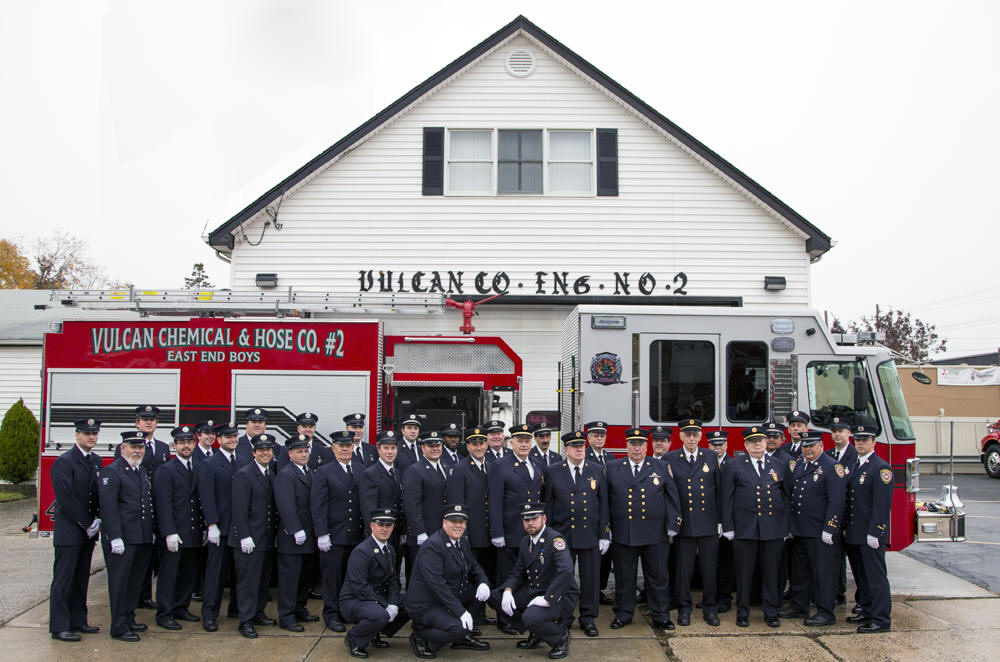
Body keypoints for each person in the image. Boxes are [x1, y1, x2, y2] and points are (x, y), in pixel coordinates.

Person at [606, 427, 681, 631]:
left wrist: (673, 525)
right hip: (624, 532)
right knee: (624, 577)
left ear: (646, 446)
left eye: (640, 445)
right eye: (632, 444)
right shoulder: (613, 467)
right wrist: (607, 529)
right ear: (626, 446)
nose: (636, 449)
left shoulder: (661, 466)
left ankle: (660, 615)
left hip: (655, 533)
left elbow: (672, 498)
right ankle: (623, 613)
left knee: (657, 577)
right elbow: (605, 501)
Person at [721, 426, 791, 628]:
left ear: (765, 443)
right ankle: (742, 612)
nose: (757, 445)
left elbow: (786, 497)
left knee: (771, 573)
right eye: (752, 442)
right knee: (744, 574)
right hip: (744, 529)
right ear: (746, 445)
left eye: (760, 441)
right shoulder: (734, 465)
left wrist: (785, 528)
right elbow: (726, 498)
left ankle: (771, 612)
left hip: (772, 529)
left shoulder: (777, 464)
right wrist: (728, 526)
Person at [541, 430, 609, 637]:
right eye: (574, 446)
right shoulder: (553, 471)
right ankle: (565, 616)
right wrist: (548, 534)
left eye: (582, 446)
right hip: (562, 535)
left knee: (591, 579)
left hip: (589, 534)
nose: (579, 449)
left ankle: (588, 618)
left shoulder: (597, 470)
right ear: (566, 450)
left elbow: (604, 504)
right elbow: (549, 505)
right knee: (564, 578)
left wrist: (605, 533)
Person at [404, 505, 492, 658]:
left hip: (446, 597)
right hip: (426, 604)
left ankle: (461, 639)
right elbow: (438, 585)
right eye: (454, 521)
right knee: (458, 628)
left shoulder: (462, 542)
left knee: (480, 595)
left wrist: (484, 583)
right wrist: (461, 612)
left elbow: (475, 568)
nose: (458, 525)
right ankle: (420, 635)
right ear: (444, 522)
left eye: (462, 522)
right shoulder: (433, 546)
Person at [493, 502, 577, 659]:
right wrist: (508, 590)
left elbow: (566, 571)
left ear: (544, 519)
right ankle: (538, 633)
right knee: (495, 598)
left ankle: (560, 637)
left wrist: (548, 598)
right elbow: (517, 572)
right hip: (534, 591)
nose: (530, 523)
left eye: (534, 519)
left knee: (530, 618)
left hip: (557, 595)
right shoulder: (526, 541)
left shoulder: (555, 539)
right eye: (526, 520)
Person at [780, 430, 846, 627]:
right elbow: (792, 494)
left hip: (820, 532)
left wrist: (830, 528)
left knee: (824, 573)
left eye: (811, 446)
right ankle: (799, 605)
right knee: (800, 572)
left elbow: (837, 501)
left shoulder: (832, 467)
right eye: (805, 446)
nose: (807, 449)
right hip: (800, 529)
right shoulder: (800, 464)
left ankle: (826, 612)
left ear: (821, 446)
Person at [48, 417, 104, 642]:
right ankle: (59, 626)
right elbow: (66, 499)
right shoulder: (64, 462)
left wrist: (99, 517)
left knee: (81, 578)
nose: (91, 437)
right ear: (76, 435)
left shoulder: (96, 461)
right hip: (70, 532)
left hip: (87, 533)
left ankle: (78, 620)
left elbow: (98, 493)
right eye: (86, 433)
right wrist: (88, 523)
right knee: (63, 581)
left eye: (94, 433)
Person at [662, 418, 722, 627]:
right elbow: (668, 494)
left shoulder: (711, 457)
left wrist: (720, 521)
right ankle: (684, 608)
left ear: (700, 436)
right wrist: (672, 523)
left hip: (708, 522)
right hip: (684, 524)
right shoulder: (670, 458)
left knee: (709, 569)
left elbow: (719, 490)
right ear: (680, 436)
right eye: (687, 434)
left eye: (695, 434)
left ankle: (710, 608)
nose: (691, 438)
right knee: (683, 570)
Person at [488, 423, 545, 634]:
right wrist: (497, 533)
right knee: (507, 578)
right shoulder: (500, 465)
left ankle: (523, 616)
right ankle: (505, 620)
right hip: (510, 532)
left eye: (526, 441)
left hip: (532, 532)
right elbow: (494, 501)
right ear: (511, 443)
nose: (523, 444)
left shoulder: (537, 464)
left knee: (528, 578)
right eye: (519, 441)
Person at [100, 431, 155, 642]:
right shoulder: (112, 472)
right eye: (133, 447)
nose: (137, 451)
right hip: (123, 540)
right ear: (123, 449)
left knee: (135, 583)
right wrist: (114, 536)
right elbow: (108, 507)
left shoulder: (140, 471)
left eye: (140, 447)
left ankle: (129, 618)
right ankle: (118, 626)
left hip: (140, 538)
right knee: (120, 583)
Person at [114, 405, 170, 610]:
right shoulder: (126, 448)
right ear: (137, 422)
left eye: (152, 419)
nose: (149, 422)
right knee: (133, 558)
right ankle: (131, 599)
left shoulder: (163, 448)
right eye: (145, 419)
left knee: (150, 555)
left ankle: (144, 595)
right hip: (135, 510)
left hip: (156, 508)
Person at [843, 416, 894, 633]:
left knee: (876, 578)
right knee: (862, 577)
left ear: (874, 441)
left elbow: (882, 506)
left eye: (865, 439)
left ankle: (881, 619)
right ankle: (866, 609)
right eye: (857, 440)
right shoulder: (855, 465)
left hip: (870, 534)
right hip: (855, 532)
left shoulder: (881, 468)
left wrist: (876, 532)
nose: (860, 443)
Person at [311, 430, 365, 631]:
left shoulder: (361, 469)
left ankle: (346, 611)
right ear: (333, 448)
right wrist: (322, 533)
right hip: (333, 535)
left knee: (351, 577)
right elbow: (318, 505)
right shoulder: (324, 472)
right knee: (331, 578)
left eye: (348, 445)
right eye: (340, 446)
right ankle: (331, 614)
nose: (345, 449)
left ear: (353, 447)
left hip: (355, 534)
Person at [340, 508, 411, 658]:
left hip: (375, 598)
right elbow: (359, 586)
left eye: (389, 525)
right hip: (355, 600)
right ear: (372, 526)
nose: (385, 529)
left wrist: (393, 603)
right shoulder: (362, 551)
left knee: (410, 603)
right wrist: (385, 606)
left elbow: (392, 580)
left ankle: (374, 633)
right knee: (379, 615)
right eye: (381, 525)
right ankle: (354, 638)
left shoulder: (389, 550)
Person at [153, 425, 204, 630]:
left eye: (189, 442)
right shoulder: (166, 470)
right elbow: (163, 504)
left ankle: (181, 607)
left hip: (193, 531)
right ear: (174, 446)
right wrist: (169, 532)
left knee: (189, 573)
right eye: (181, 442)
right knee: (169, 575)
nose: (186, 445)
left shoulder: (198, 467)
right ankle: (165, 613)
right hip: (176, 531)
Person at [230, 434, 279, 638]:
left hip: (266, 538)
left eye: (268, 450)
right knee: (248, 582)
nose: (265, 453)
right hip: (249, 539)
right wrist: (244, 536)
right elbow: (239, 509)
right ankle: (246, 620)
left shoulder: (270, 473)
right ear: (254, 453)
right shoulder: (245, 474)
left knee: (262, 580)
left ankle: (258, 612)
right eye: (261, 450)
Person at [198, 421, 245, 631]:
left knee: (239, 572)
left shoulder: (243, 460)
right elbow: (206, 497)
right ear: (219, 439)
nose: (232, 440)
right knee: (216, 574)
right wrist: (212, 524)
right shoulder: (210, 464)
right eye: (228, 437)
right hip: (221, 527)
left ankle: (235, 608)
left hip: (240, 528)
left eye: (235, 436)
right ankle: (209, 614)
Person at [274, 434, 320, 631]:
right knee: (289, 579)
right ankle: (286, 615)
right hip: (292, 537)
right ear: (290, 454)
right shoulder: (286, 474)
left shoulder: (309, 472)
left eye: (305, 451)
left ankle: (299, 608)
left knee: (304, 576)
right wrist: (295, 529)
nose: (303, 454)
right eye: (299, 451)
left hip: (308, 535)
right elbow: (286, 506)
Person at [446, 427, 495, 591]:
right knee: (472, 578)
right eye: (474, 444)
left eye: (481, 443)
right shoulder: (460, 469)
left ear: (486, 444)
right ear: (467, 447)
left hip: (491, 534)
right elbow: (457, 505)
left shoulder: (493, 466)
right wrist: (463, 534)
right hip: (472, 535)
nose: (479, 447)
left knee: (489, 576)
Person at [403, 430, 451, 581]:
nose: (435, 448)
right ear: (422, 448)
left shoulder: (446, 466)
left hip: (443, 531)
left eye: (438, 445)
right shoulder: (414, 470)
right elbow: (411, 504)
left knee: (440, 572)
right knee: (419, 574)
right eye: (430, 445)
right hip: (423, 533)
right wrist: (419, 532)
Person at [826, 416, 857, 606]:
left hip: (850, 513)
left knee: (852, 559)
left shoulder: (855, 455)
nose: (837, 434)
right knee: (833, 556)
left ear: (849, 433)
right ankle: (836, 592)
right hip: (832, 513)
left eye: (841, 431)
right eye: (834, 431)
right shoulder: (828, 455)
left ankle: (845, 594)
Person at [706, 430, 734, 613]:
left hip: (728, 520)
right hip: (710, 520)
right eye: (714, 445)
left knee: (726, 561)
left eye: (720, 445)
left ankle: (725, 598)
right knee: (711, 562)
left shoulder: (733, 464)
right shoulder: (705, 462)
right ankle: (711, 597)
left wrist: (727, 522)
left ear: (726, 446)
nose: (717, 448)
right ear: (708, 446)